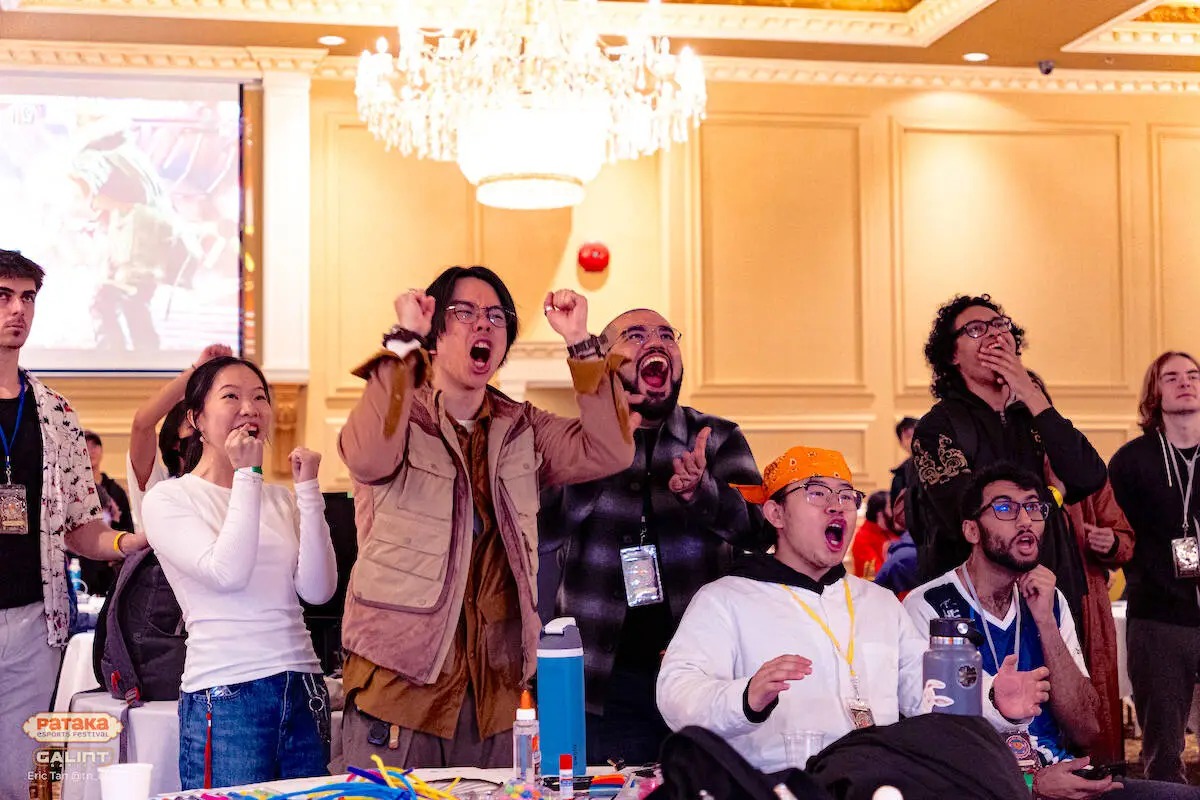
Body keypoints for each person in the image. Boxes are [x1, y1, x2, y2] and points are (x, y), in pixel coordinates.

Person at [336, 267, 635, 769]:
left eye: (497, 317)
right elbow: (365, 457)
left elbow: (609, 450)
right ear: (436, 330)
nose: (484, 326)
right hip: (401, 692)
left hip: (496, 697)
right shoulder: (398, 411)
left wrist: (582, 344)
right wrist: (403, 340)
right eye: (466, 313)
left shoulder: (522, 427)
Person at [655, 446, 1048, 775]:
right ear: (775, 514)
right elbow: (675, 695)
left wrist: (995, 700)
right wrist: (744, 696)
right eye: (816, 493)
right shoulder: (726, 599)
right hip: (773, 787)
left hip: (875, 786)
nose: (836, 507)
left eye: (846, 496)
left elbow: (926, 691)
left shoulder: (877, 602)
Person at [538, 307, 761, 765]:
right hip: (602, 682)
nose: (655, 343)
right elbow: (543, 534)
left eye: (666, 335)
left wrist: (704, 493)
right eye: (634, 335)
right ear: (603, 360)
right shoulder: (570, 443)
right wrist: (599, 460)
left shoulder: (716, 437)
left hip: (703, 675)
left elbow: (757, 531)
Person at [906, 463, 1197, 799]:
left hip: (1066, 778)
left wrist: (1045, 620)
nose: (1026, 520)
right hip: (988, 789)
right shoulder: (929, 606)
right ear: (972, 531)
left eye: (1034, 507)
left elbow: (1087, 727)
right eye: (1005, 508)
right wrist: (1033, 784)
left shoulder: (1050, 599)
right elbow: (937, 741)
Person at [142, 356, 337, 789]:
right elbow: (226, 571)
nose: (249, 408)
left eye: (259, 398)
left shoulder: (279, 499)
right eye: (231, 397)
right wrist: (248, 475)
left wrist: (306, 491)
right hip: (226, 692)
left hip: (303, 684)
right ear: (196, 419)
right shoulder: (169, 499)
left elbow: (319, 590)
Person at [0, 250, 148, 799]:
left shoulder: (55, 412)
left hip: (37, 623)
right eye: (3, 296)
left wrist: (134, 540)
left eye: (27, 298)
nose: (18, 310)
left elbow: (81, 526)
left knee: (27, 783)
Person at [908, 294, 1106, 630]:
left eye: (1000, 325)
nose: (994, 335)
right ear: (953, 354)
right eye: (975, 329)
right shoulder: (938, 426)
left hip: (1048, 589)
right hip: (973, 606)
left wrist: (1030, 393)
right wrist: (1050, 498)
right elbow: (966, 512)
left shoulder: (1032, 415)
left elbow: (1089, 475)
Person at [1109, 351, 1200, 783]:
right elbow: (1116, 533)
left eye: (1193, 375)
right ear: (1154, 392)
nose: (1185, 383)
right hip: (1158, 617)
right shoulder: (1131, 461)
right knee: (1163, 752)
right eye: (1172, 377)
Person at [126, 344, 233, 531]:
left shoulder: (234, 486)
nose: (202, 433)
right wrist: (196, 371)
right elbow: (142, 424)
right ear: (175, 442)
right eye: (193, 425)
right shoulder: (158, 485)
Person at [78, 430, 133, 596]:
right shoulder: (75, 490)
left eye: (95, 446)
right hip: (82, 566)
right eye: (86, 446)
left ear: (101, 451)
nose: (91, 450)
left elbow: (127, 528)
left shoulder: (115, 491)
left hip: (110, 566)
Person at [850, 490, 896, 579]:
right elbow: (878, 576)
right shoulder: (863, 539)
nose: (896, 511)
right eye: (891, 507)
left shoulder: (890, 531)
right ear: (880, 514)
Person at [889, 416, 918, 506]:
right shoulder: (900, 475)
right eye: (908, 436)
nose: (913, 440)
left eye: (916, 434)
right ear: (901, 443)